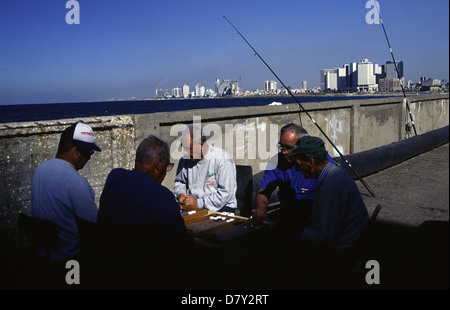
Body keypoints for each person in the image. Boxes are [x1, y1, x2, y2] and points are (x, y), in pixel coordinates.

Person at [97, 135, 194, 288]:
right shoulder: (162, 196)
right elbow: (180, 244)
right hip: (144, 276)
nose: (167, 171)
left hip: (109, 268)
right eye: (168, 167)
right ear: (158, 165)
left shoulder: (114, 177)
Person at [286, 135, 369, 278]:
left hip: (344, 253)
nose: (298, 170)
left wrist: (299, 233)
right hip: (351, 241)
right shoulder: (334, 174)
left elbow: (326, 237)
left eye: (299, 165)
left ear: (310, 162)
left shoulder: (331, 187)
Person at [31, 122, 101, 262]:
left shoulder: (40, 170)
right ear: (76, 152)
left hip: (43, 255)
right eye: (88, 153)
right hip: (69, 261)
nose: (88, 158)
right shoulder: (76, 182)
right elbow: (94, 228)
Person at [253, 123, 334, 230]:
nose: (283, 152)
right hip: (288, 215)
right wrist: (261, 208)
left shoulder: (320, 162)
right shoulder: (276, 162)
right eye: (281, 146)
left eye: (288, 148)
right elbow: (263, 191)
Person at [174, 124, 237, 213]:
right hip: (195, 208)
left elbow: (225, 193)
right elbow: (180, 182)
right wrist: (181, 194)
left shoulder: (222, 159)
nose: (185, 152)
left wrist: (199, 203)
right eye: (184, 148)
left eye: (189, 148)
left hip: (221, 209)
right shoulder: (185, 160)